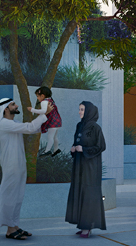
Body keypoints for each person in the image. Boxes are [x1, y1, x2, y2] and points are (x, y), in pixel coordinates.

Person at [0, 96, 46, 239]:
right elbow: (29, 128)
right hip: (11, 165)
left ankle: (14, 225)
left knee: (18, 196)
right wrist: (44, 114)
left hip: (18, 163)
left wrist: (46, 123)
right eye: (13, 104)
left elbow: (31, 129)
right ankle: (10, 230)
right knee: (10, 196)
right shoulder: (4, 124)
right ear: (6, 108)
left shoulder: (13, 123)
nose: (16, 106)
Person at [65, 100, 107, 236]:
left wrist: (84, 149)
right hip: (79, 166)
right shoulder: (79, 126)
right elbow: (77, 142)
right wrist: (73, 149)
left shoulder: (95, 128)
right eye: (79, 109)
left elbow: (101, 146)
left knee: (89, 194)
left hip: (90, 168)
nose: (79, 112)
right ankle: (81, 223)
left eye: (82, 109)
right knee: (80, 192)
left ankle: (87, 226)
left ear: (88, 111)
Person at [33, 85, 61, 155]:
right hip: (57, 120)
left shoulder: (44, 102)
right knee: (54, 137)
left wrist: (33, 110)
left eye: (37, 96)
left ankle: (47, 151)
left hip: (52, 121)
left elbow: (43, 111)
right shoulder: (51, 100)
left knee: (50, 136)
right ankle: (56, 149)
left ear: (42, 96)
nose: (37, 98)